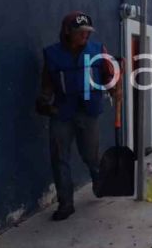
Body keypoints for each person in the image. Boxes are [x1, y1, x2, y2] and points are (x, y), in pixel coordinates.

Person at [36, 12, 121, 221]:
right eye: (80, 31)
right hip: (62, 112)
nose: (85, 35)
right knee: (59, 158)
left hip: (89, 112)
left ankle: (98, 181)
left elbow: (110, 74)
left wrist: (115, 89)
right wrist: (43, 99)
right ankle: (66, 203)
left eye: (87, 31)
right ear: (67, 32)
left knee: (90, 156)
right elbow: (47, 81)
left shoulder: (98, 50)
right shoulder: (52, 54)